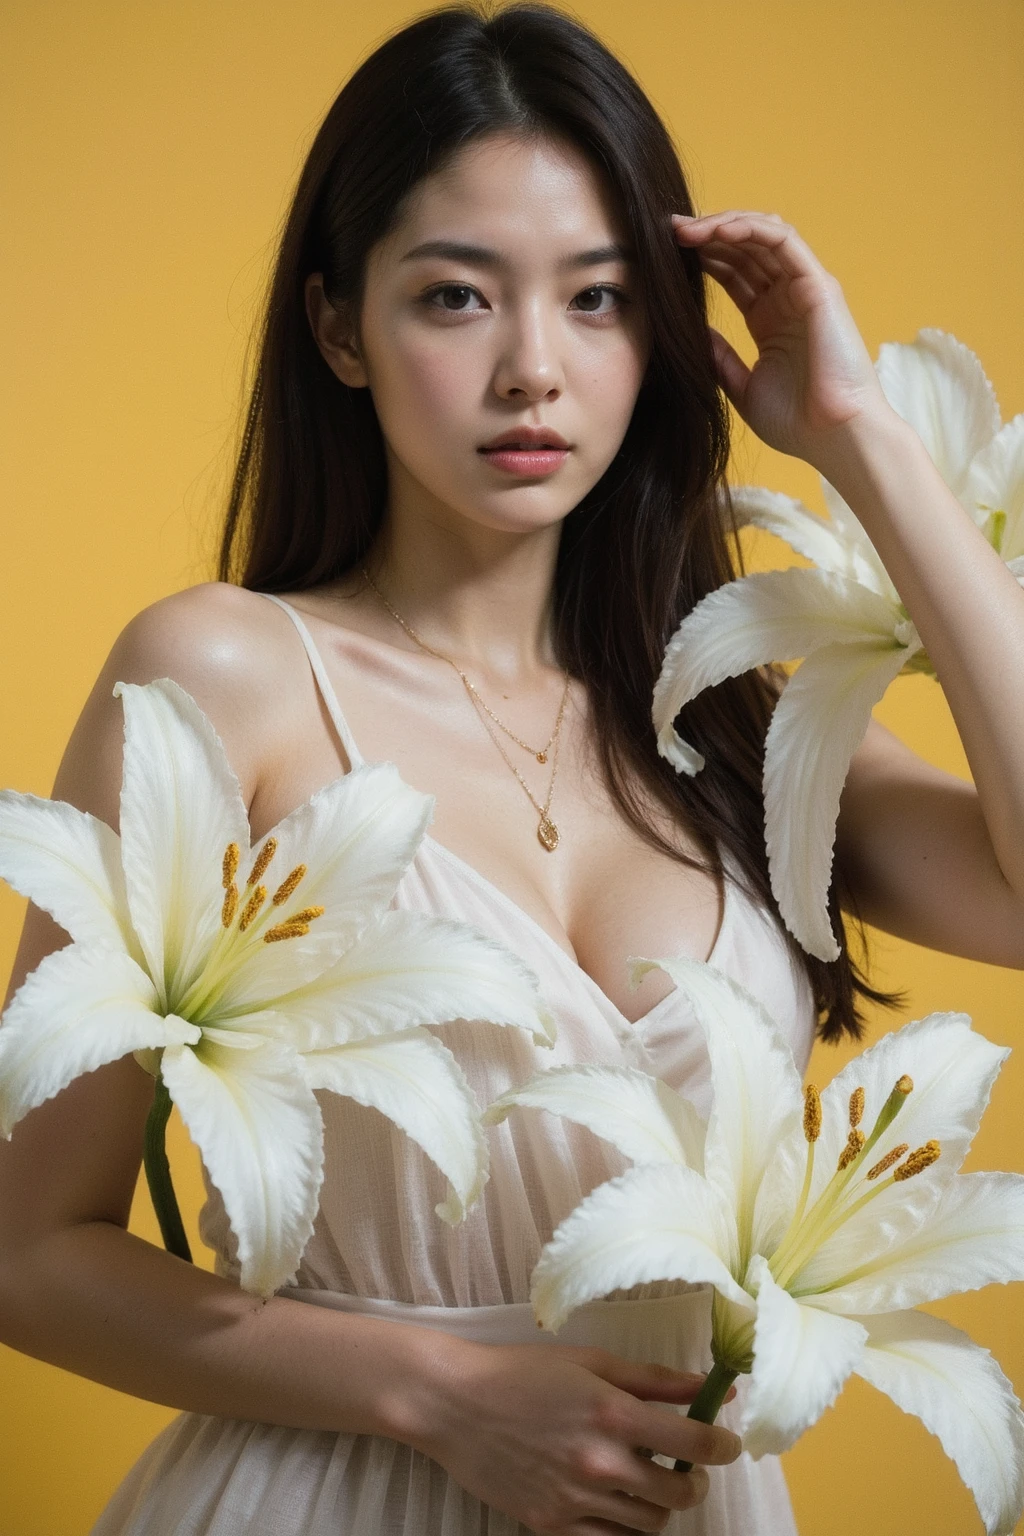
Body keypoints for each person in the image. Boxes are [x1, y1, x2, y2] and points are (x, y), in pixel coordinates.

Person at [1, 4, 1022, 1533]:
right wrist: (442, 1394)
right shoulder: (225, 674)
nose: (533, 369)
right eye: (458, 298)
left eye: (601, 301)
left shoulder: (730, 707)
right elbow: (23, 1248)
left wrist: (860, 434)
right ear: (340, 328)